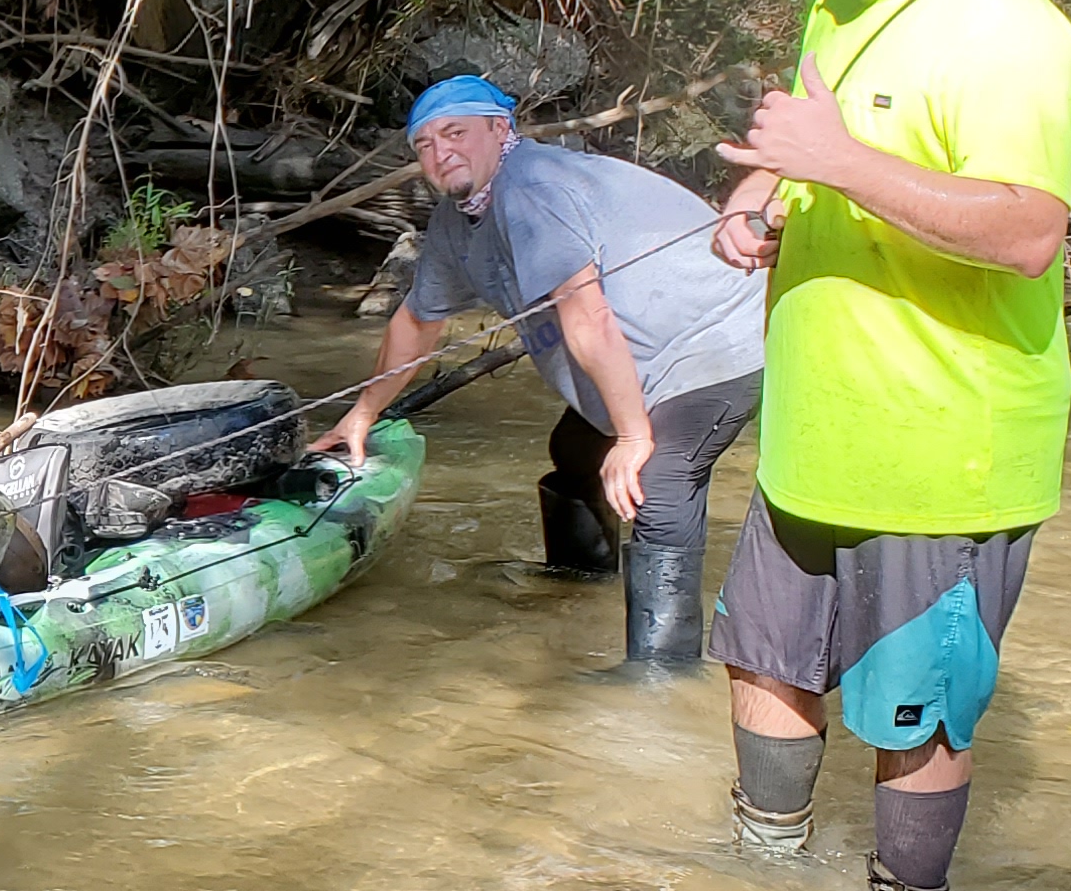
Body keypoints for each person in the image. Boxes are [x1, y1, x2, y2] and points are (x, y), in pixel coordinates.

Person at [706, 0, 1071, 891]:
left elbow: (1029, 232)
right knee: (764, 664)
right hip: (812, 444)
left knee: (915, 713)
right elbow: (823, 134)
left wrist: (836, 164)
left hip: (942, 456)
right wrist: (762, 193)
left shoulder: (1010, 32)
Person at [315, 75, 765, 663]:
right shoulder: (457, 222)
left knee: (656, 479)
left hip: (716, 346)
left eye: (456, 133)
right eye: (423, 144)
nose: (440, 151)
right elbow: (417, 323)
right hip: (641, 359)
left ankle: (663, 670)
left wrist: (632, 437)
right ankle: (581, 586)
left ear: (501, 131)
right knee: (577, 453)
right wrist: (363, 413)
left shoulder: (531, 188)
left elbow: (588, 320)